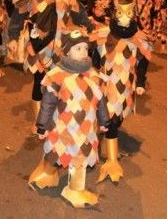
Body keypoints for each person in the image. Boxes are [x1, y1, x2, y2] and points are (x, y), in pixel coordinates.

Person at [7, 0, 93, 134]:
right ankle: (39, 121)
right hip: (40, 45)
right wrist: (13, 37)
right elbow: (17, 16)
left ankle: (59, 117)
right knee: (40, 81)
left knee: (62, 81)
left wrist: (92, 30)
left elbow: (81, 16)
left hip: (64, 46)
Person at [28, 30, 109, 208]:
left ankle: (75, 190)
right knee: (54, 152)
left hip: (85, 129)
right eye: (77, 48)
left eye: (85, 49)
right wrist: (42, 125)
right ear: (67, 51)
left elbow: (101, 101)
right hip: (62, 127)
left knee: (81, 155)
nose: (83, 52)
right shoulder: (57, 75)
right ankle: (48, 173)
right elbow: (48, 104)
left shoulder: (93, 76)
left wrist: (105, 121)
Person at [90, 0, 151, 183]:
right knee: (110, 119)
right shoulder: (103, 34)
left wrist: (140, 83)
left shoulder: (139, 39)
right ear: (115, 13)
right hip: (106, 82)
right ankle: (111, 159)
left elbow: (142, 63)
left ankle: (103, 144)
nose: (124, 17)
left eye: (129, 12)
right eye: (120, 12)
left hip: (126, 84)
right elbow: (94, 59)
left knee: (117, 117)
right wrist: (93, 77)